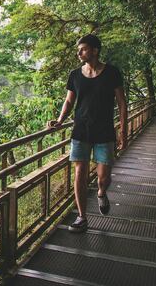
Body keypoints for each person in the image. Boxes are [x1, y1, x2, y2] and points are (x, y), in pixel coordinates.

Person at [47, 34, 127, 233]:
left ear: (95, 50)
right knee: (79, 174)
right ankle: (82, 217)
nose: (79, 53)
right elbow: (69, 101)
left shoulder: (112, 73)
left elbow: (122, 104)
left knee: (103, 177)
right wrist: (59, 121)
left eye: (82, 49)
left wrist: (123, 131)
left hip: (105, 132)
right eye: (79, 50)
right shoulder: (75, 75)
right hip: (80, 131)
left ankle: (101, 192)